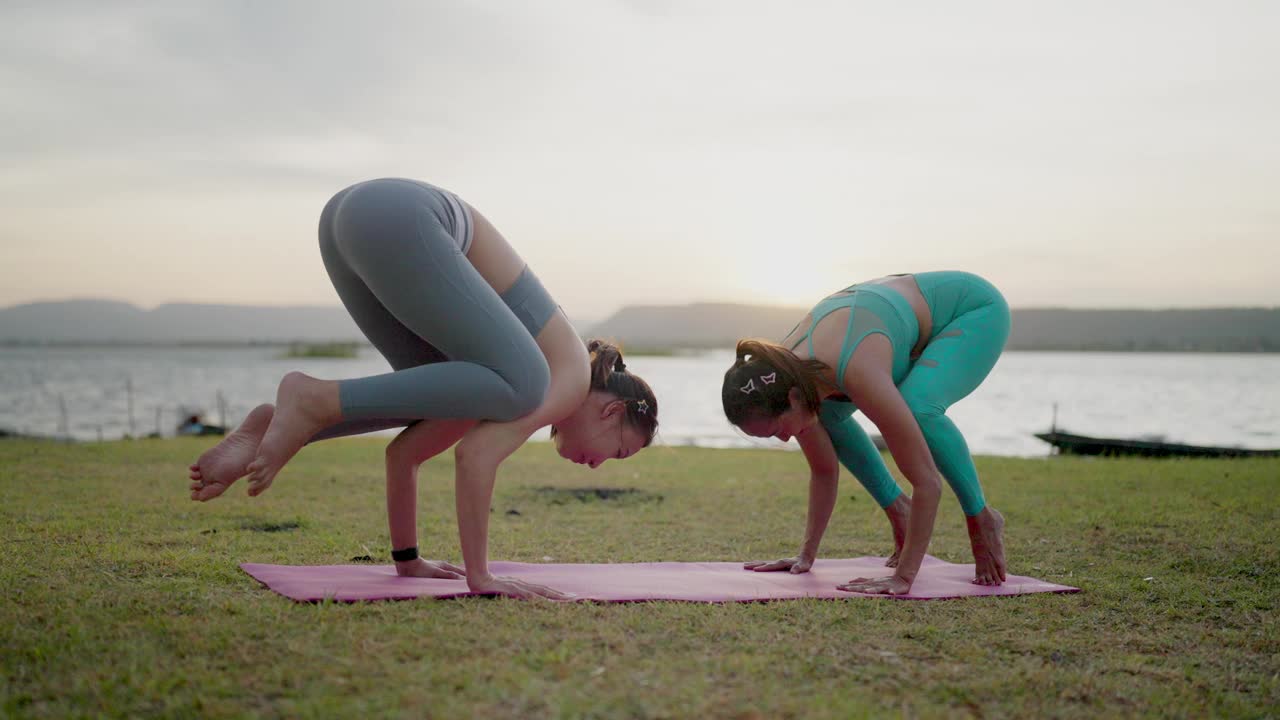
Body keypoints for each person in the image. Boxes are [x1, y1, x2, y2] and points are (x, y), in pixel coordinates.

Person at [187, 178, 658, 600]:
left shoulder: (489, 382)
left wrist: (408, 558)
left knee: (437, 396)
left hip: (351, 221)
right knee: (524, 384)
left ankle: (270, 426)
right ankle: (312, 397)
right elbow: (476, 456)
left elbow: (405, 454)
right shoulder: (569, 375)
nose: (596, 466)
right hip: (405, 216)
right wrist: (482, 576)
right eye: (616, 453)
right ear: (611, 411)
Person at [721, 272, 1009, 594]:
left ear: (791, 400)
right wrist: (805, 556)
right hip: (889, 325)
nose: (785, 440)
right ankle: (899, 507)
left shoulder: (855, 369)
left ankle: (982, 517)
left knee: (917, 407)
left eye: (777, 431)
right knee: (825, 415)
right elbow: (824, 470)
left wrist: (903, 577)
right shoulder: (784, 375)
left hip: (972, 311)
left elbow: (927, 482)